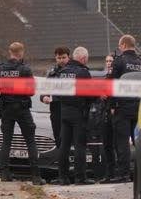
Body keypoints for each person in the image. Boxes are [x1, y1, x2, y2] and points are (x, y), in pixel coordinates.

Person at [0, 41, 43, 185]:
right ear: (21, 53)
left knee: (6, 141)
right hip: (22, 108)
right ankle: (36, 177)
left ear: (10, 52)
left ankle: (4, 174)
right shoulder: (25, 70)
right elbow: (31, 91)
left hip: (6, 108)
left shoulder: (0, 69)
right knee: (30, 141)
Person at [108, 35, 141, 183]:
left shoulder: (118, 62)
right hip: (138, 108)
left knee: (122, 142)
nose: (119, 48)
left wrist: (112, 105)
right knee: (138, 142)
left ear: (124, 45)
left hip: (122, 108)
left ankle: (123, 174)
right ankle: (140, 174)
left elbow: (112, 86)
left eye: (119, 46)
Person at [56, 46, 94, 185]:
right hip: (79, 112)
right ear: (83, 59)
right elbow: (90, 93)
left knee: (64, 145)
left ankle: (63, 177)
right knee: (80, 145)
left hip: (64, 112)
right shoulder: (83, 72)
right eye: (87, 59)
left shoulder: (62, 71)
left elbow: (57, 93)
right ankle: (80, 178)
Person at [41, 46, 70, 147]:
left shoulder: (74, 71)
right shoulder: (52, 73)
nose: (61, 60)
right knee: (58, 140)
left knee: (71, 140)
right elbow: (44, 91)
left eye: (63, 57)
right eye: (59, 58)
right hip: (56, 110)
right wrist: (44, 97)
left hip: (71, 110)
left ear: (68, 57)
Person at [100, 53, 117, 182]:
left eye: (111, 60)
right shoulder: (105, 77)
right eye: (107, 61)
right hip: (105, 113)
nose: (108, 63)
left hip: (116, 113)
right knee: (107, 145)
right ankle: (109, 173)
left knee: (117, 145)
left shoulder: (117, 77)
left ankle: (117, 172)